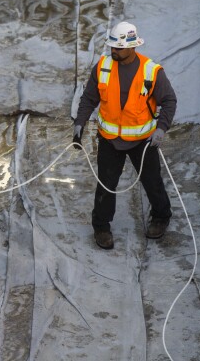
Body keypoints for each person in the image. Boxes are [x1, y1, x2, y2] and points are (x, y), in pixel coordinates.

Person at [73, 21, 177, 250]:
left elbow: (169, 101)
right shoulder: (102, 68)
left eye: (118, 48)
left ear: (132, 46)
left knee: (152, 182)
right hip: (110, 140)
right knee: (106, 185)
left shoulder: (151, 71)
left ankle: (161, 217)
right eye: (112, 46)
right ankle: (101, 227)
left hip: (143, 141)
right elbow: (89, 98)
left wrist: (161, 129)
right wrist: (79, 123)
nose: (114, 51)